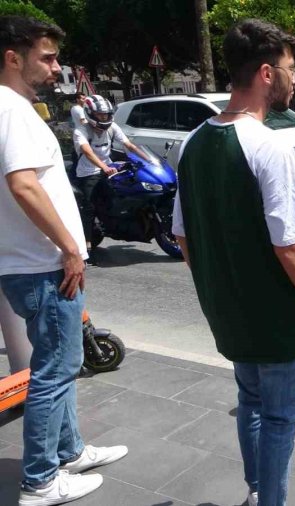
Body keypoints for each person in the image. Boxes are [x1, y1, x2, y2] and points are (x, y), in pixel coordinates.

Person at [171, 19, 295, 506]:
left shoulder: (191, 144)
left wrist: (218, 284)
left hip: (227, 314)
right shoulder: (267, 145)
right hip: (274, 319)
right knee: (279, 418)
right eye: (291, 69)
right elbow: (289, 247)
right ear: (268, 74)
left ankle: (256, 491)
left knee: (250, 402)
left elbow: (182, 235)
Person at [0, 15, 128, 506]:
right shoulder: (13, 110)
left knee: (58, 363)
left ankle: (69, 451)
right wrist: (70, 249)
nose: (57, 69)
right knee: (55, 372)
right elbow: (24, 184)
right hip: (45, 267)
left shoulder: (12, 108)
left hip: (31, 264)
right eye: (47, 58)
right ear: (13, 58)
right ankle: (40, 481)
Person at [72, 94, 149, 262]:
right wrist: (104, 167)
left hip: (109, 168)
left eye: (106, 115)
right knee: (89, 208)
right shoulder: (81, 131)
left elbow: (128, 145)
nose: (104, 118)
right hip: (88, 172)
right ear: (90, 114)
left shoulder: (112, 127)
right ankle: (86, 245)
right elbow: (87, 151)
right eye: (100, 115)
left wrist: (148, 159)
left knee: (123, 193)